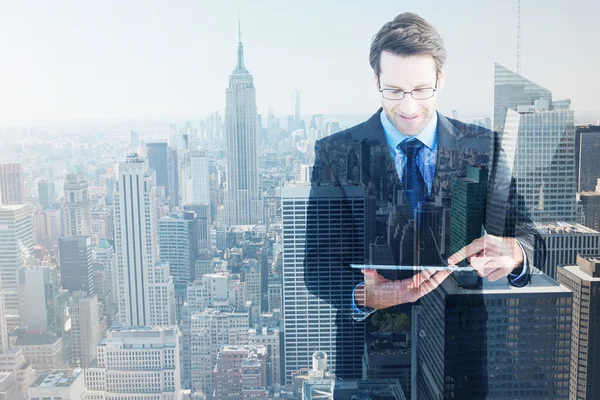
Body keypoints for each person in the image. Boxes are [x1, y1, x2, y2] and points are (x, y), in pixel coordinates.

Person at [303, 12, 544, 398]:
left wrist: (515, 252)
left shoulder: (484, 147)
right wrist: (363, 295)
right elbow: (316, 266)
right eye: (394, 90)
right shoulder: (336, 153)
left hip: (460, 354)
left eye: (421, 89)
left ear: (440, 80)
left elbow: (529, 236)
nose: (409, 105)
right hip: (368, 356)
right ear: (377, 81)